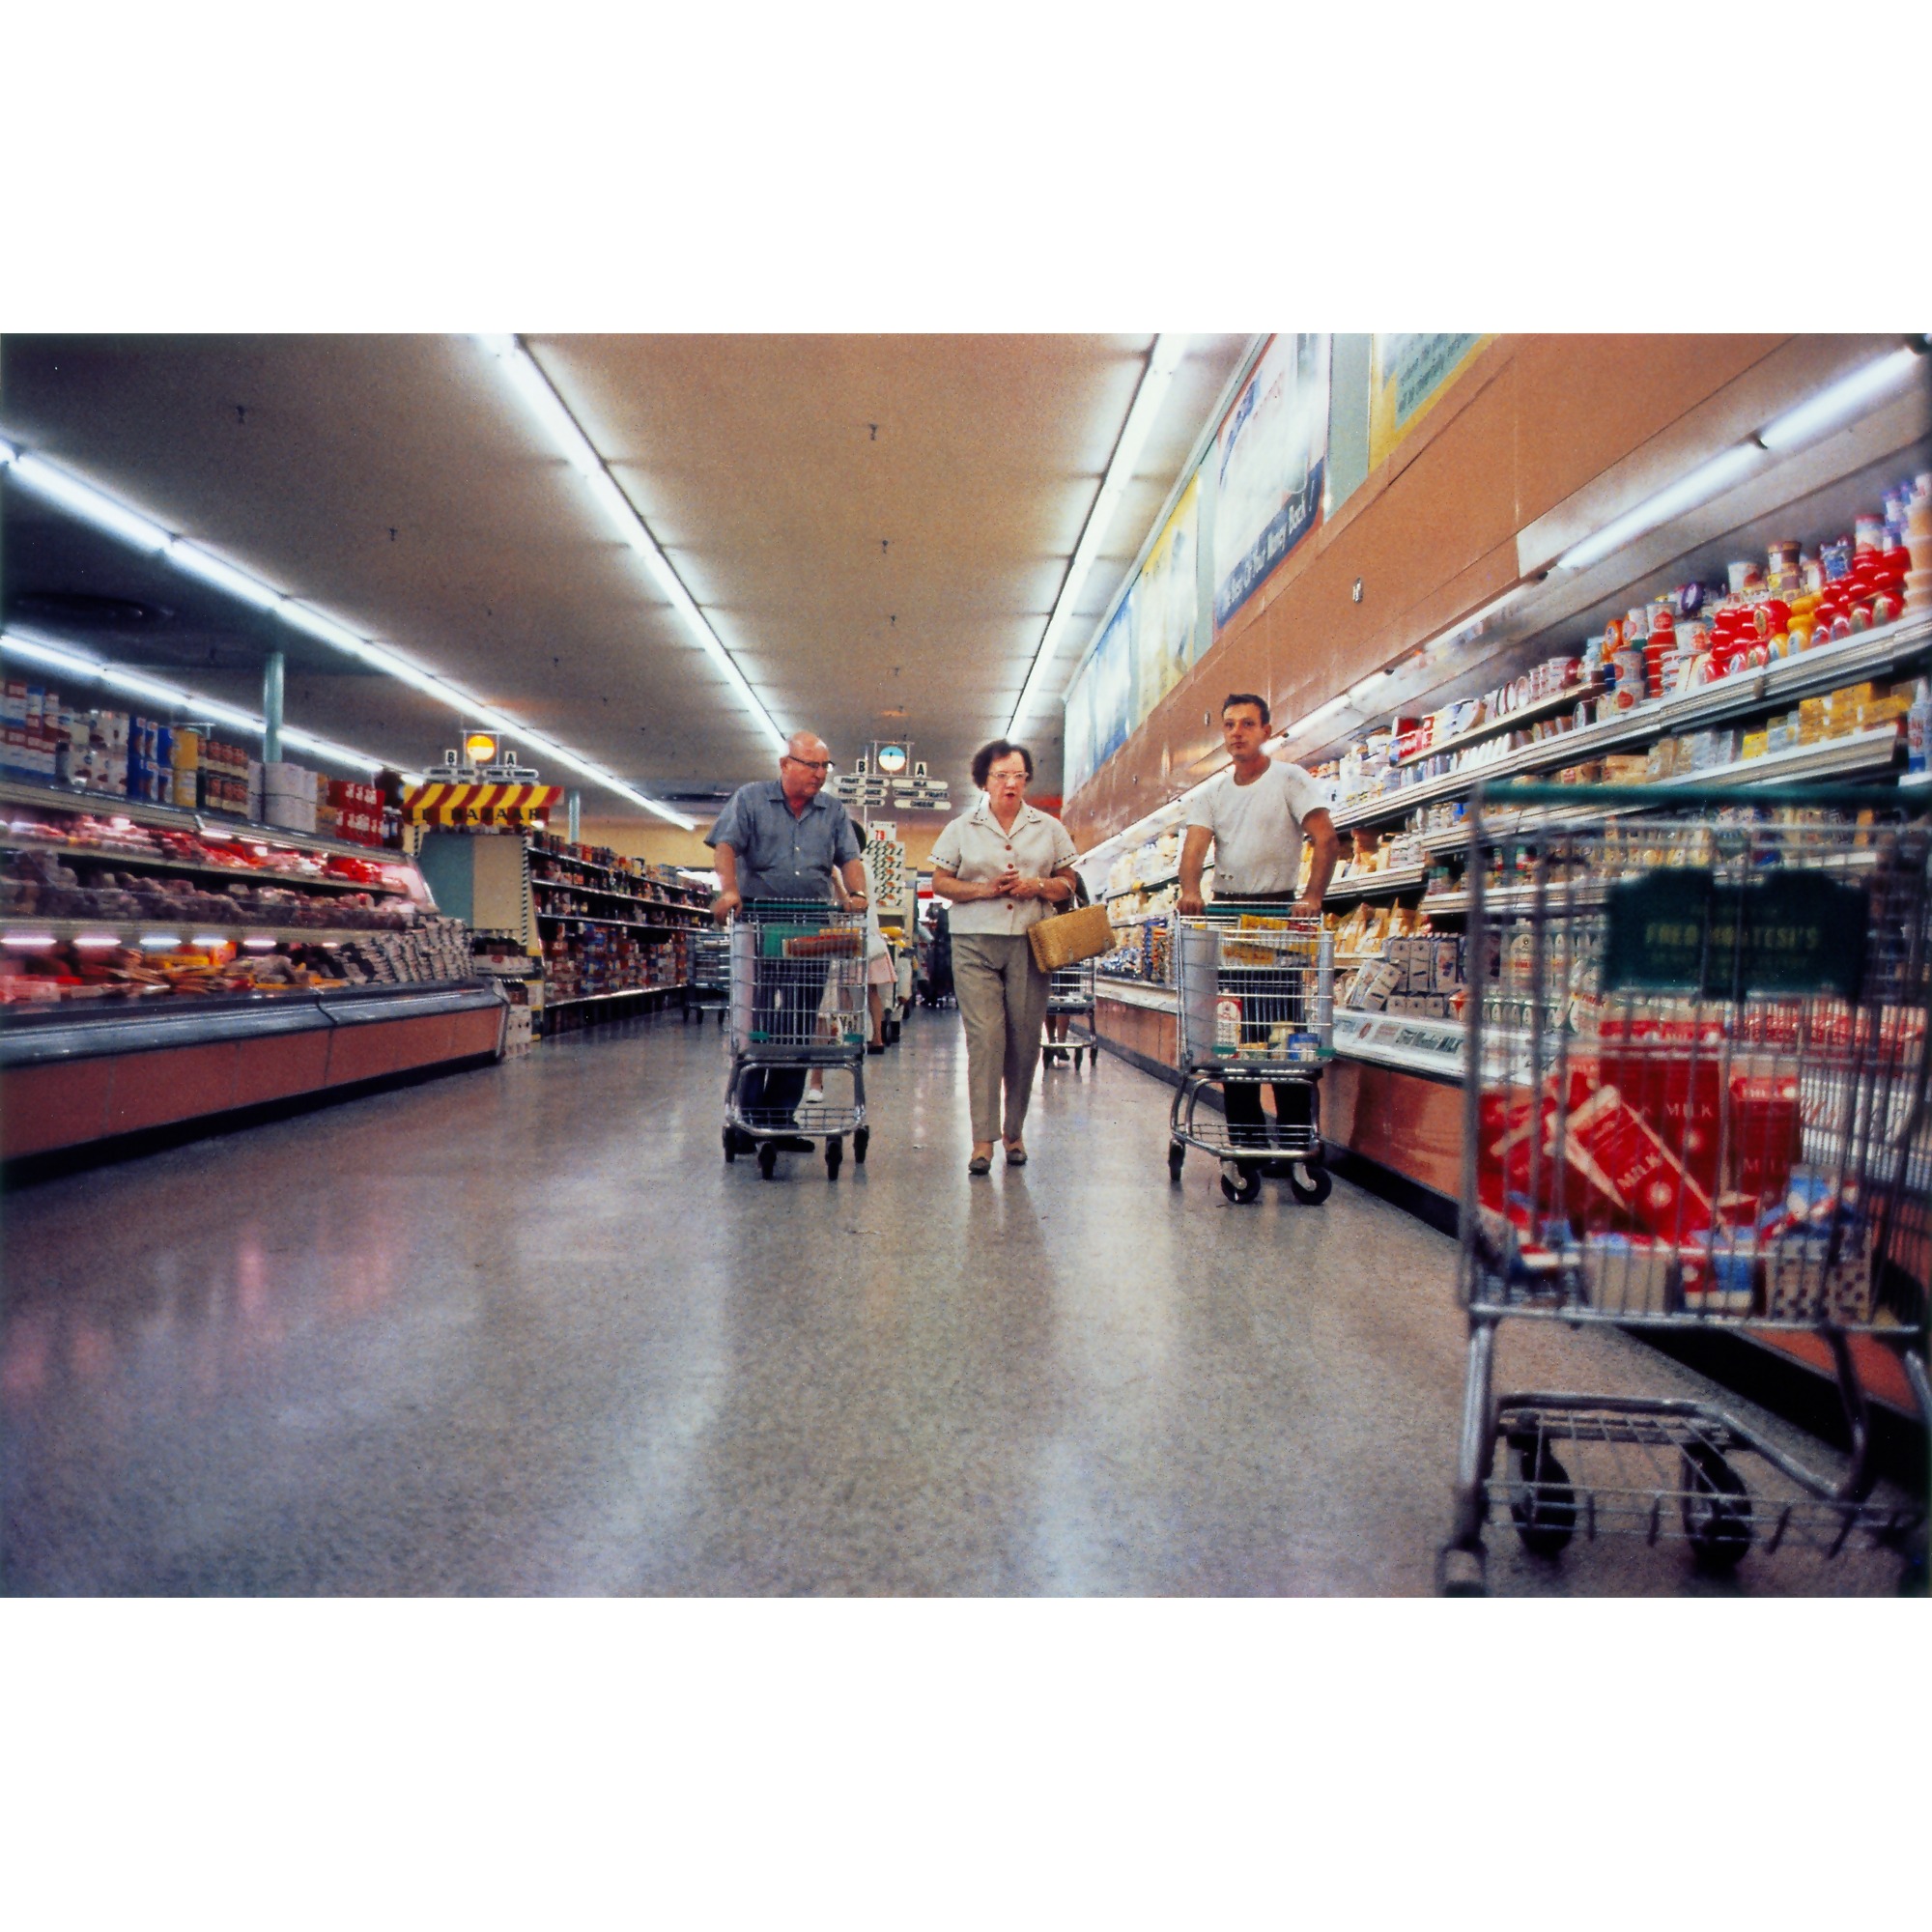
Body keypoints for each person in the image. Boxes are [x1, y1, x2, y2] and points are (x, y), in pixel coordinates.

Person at [1176, 692, 1340, 1154]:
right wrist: (1191, 890)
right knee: (1233, 1039)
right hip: (1229, 919)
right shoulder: (1212, 793)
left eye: (1247, 724)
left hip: (1278, 917)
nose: (1237, 733)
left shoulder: (1291, 780)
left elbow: (1325, 839)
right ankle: (1244, 1143)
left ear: (1267, 731)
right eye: (1229, 725)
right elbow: (1193, 849)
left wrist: (1312, 897)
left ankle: (1291, 1142)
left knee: (1282, 1038)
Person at [707, 730, 867, 1150]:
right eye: (811, 765)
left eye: (824, 767)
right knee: (756, 1021)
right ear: (786, 764)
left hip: (811, 927)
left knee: (798, 1024)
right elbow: (725, 845)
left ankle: (780, 1118)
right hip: (760, 923)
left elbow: (849, 858)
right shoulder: (751, 799)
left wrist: (860, 895)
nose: (819, 774)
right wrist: (729, 891)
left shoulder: (832, 811)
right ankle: (746, 1117)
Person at [929, 739, 1080, 1175]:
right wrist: (983, 889)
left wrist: (1038, 885)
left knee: (1024, 1039)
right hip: (974, 939)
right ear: (984, 780)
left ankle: (1014, 1131)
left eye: (1018, 775)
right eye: (1001, 776)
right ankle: (982, 1141)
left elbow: (1069, 881)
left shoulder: (1049, 828)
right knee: (986, 1038)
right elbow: (940, 881)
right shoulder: (962, 827)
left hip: (1031, 941)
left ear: (1027, 779)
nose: (1010, 783)